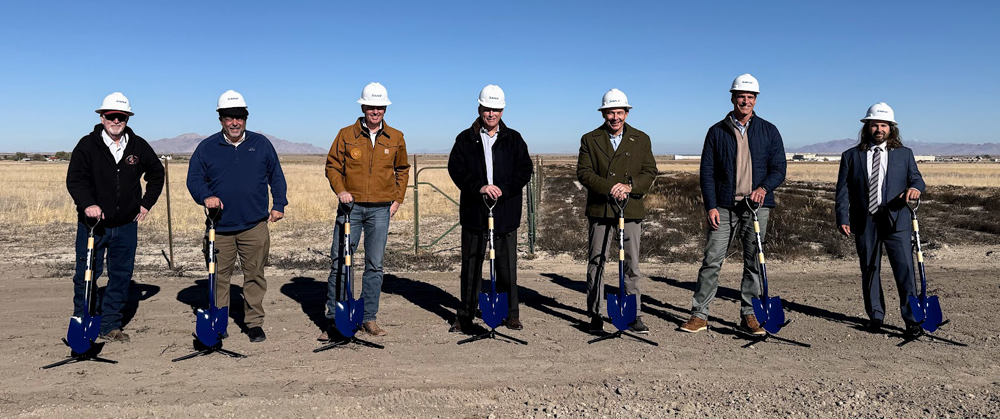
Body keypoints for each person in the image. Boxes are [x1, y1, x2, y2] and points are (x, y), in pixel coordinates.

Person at [680, 74, 786, 335]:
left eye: (750, 97)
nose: (746, 101)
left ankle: (750, 315)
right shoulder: (717, 131)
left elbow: (779, 168)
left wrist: (763, 189)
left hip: (756, 208)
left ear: (756, 100)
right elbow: (707, 172)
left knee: (754, 262)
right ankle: (699, 315)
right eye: (741, 96)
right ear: (733, 97)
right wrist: (711, 206)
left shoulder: (769, 131)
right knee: (712, 260)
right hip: (724, 207)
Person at [186, 90, 287, 343]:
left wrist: (279, 204)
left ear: (246, 118)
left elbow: (276, 176)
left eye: (239, 117)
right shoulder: (207, 147)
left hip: (254, 225)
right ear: (220, 119)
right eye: (229, 117)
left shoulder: (261, 144)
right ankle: (218, 322)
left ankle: (253, 323)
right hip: (218, 227)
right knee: (219, 276)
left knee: (255, 274)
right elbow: (194, 179)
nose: (234, 122)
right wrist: (205, 196)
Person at [66, 92, 164, 342]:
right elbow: (75, 179)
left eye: (121, 116)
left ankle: (110, 324)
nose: (116, 120)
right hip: (93, 225)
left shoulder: (138, 145)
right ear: (102, 117)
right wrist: (87, 204)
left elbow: (156, 174)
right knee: (87, 273)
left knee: (121, 276)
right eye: (111, 116)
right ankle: (84, 321)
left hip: (126, 225)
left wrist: (146, 203)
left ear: (127, 118)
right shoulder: (87, 146)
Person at [322, 82, 409, 339]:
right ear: (363, 106)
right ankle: (334, 319)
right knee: (340, 263)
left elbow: (402, 169)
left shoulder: (396, 137)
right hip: (351, 209)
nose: (376, 111)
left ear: (385, 108)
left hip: (381, 210)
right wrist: (341, 191)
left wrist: (397, 199)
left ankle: (368, 318)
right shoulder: (346, 135)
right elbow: (332, 166)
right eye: (371, 106)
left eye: (380, 107)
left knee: (374, 265)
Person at [447, 84, 533, 333]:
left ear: (502, 111)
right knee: (471, 264)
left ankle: (511, 314)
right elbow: (457, 169)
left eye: (496, 109)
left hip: (505, 211)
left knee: (507, 267)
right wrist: (480, 188)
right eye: (487, 109)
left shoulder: (514, 139)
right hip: (475, 211)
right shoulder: (465, 138)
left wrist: (503, 188)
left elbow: (524, 169)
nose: (491, 114)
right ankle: (465, 315)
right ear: (479, 108)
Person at [835, 102, 925, 338]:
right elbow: (842, 190)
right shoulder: (851, 156)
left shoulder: (905, 154)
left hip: (897, 220)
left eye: (883, 125)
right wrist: (842, 216)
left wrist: (915, 188)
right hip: (865, 221)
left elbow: (917, 179)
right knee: (870, 269)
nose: (879, 129)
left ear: (891, 128)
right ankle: (875, 316)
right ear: (867, 127)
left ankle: (912, 319)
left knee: (905, 270)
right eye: (875, 124)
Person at [577, 88, 658, 334]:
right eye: (610, 112)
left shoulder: (641, 138)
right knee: (597, 261)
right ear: (603, 113)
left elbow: (650, 171)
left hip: (629, 208)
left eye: (619, 112)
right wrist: (610, 187)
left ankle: (633, 314)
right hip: (600, 209)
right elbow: (584, 173)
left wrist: (630, 186)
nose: (615, 117)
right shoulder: (590, 139)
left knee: (631, 263)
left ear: (626, 112)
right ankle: (595, 314)